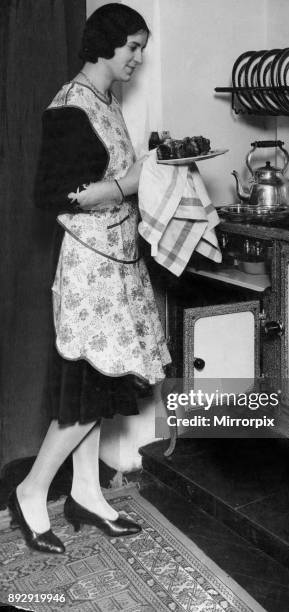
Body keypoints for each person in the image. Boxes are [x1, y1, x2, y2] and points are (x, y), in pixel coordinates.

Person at [8, 3, 171, 554]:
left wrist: (147, 173)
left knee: (101, 387)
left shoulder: (107, 99)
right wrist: (132, 182)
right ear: (104, 44)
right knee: (90, 393)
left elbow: (108, 177)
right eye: (132, 46)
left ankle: (85, 492)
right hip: (88, 273)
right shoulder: (69, 107)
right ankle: (32, 491)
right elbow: (52, 197)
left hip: (119, 264)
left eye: (141, 47)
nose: (138, 58)